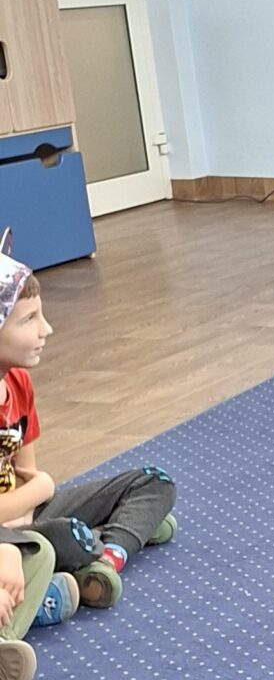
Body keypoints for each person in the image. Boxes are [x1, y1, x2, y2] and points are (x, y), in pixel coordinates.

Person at [0, 248, 177, 617]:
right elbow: (37, 484)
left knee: (154, 483)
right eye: (29, 319)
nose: (46, 329)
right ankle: (114, 538)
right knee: (65, 540)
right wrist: (42, 489)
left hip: (25, 515)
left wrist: (35, 495)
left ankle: (104, 560)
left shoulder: (18, 383)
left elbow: (27, 477)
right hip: (9, 530)